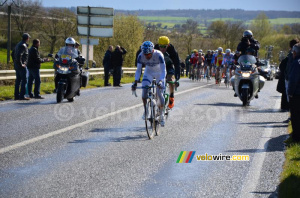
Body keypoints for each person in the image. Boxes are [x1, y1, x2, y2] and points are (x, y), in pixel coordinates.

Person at [132, 41, 166, 126]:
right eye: (145, 54)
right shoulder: (141, 56)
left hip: (159, 73)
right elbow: (139, 70)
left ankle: (161, 114)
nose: (146, 56)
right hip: (149, 72)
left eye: (148, 54)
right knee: (144, 92)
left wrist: (161, 81)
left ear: (152, 51)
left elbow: (163, 70)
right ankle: (146, 110)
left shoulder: (159, 55)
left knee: (159, 93)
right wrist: (135, 82)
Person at [155, 36, 180, 109]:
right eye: (161, 46)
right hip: (159, 66)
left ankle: (171, 96)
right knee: (157, 82)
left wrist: (177, 78)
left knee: (170, 79)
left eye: (164, 47)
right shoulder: (155, 48)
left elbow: (177, 64)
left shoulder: (172, 50)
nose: (162, 48)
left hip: (169, 66)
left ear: (168, 45)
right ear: (158, 45)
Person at [288, 43, 300, 142]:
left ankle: (296, 139)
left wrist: (290, 93)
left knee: (296, 117)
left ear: (295, 52)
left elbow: (293, 80)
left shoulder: (296, 63)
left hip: (297, 94)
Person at [13, 33, 31, 100]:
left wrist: (15, 62)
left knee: (18, 81)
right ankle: (22, 96)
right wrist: (21, 64)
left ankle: (16, 95)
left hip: (17, 65)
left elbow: (13, 54)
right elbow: (19, 55)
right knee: (24, 81)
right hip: (21, 66)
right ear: (27, 38)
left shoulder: (18, 44)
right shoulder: (23, 45)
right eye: (28, 38)